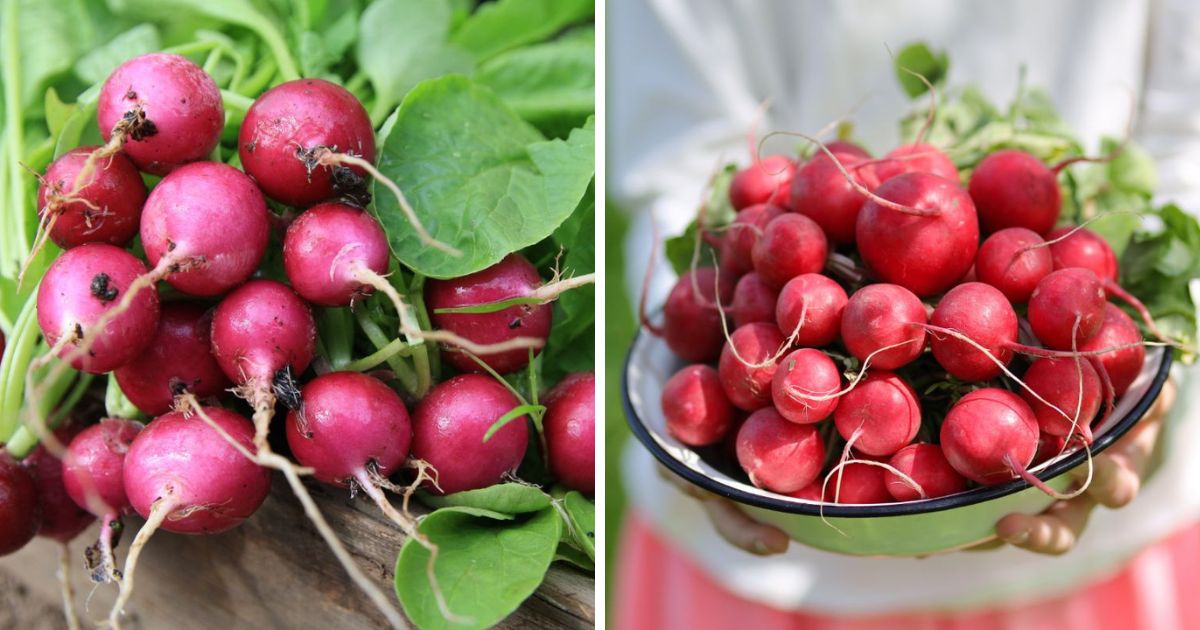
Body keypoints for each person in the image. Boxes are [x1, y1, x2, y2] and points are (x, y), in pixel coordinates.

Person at [611, 0, 1200, 627]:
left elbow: (1184, 144)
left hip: (1098, 568)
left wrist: (1163, 389)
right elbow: (679, 157)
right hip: (766, 586)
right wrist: (687, 430)